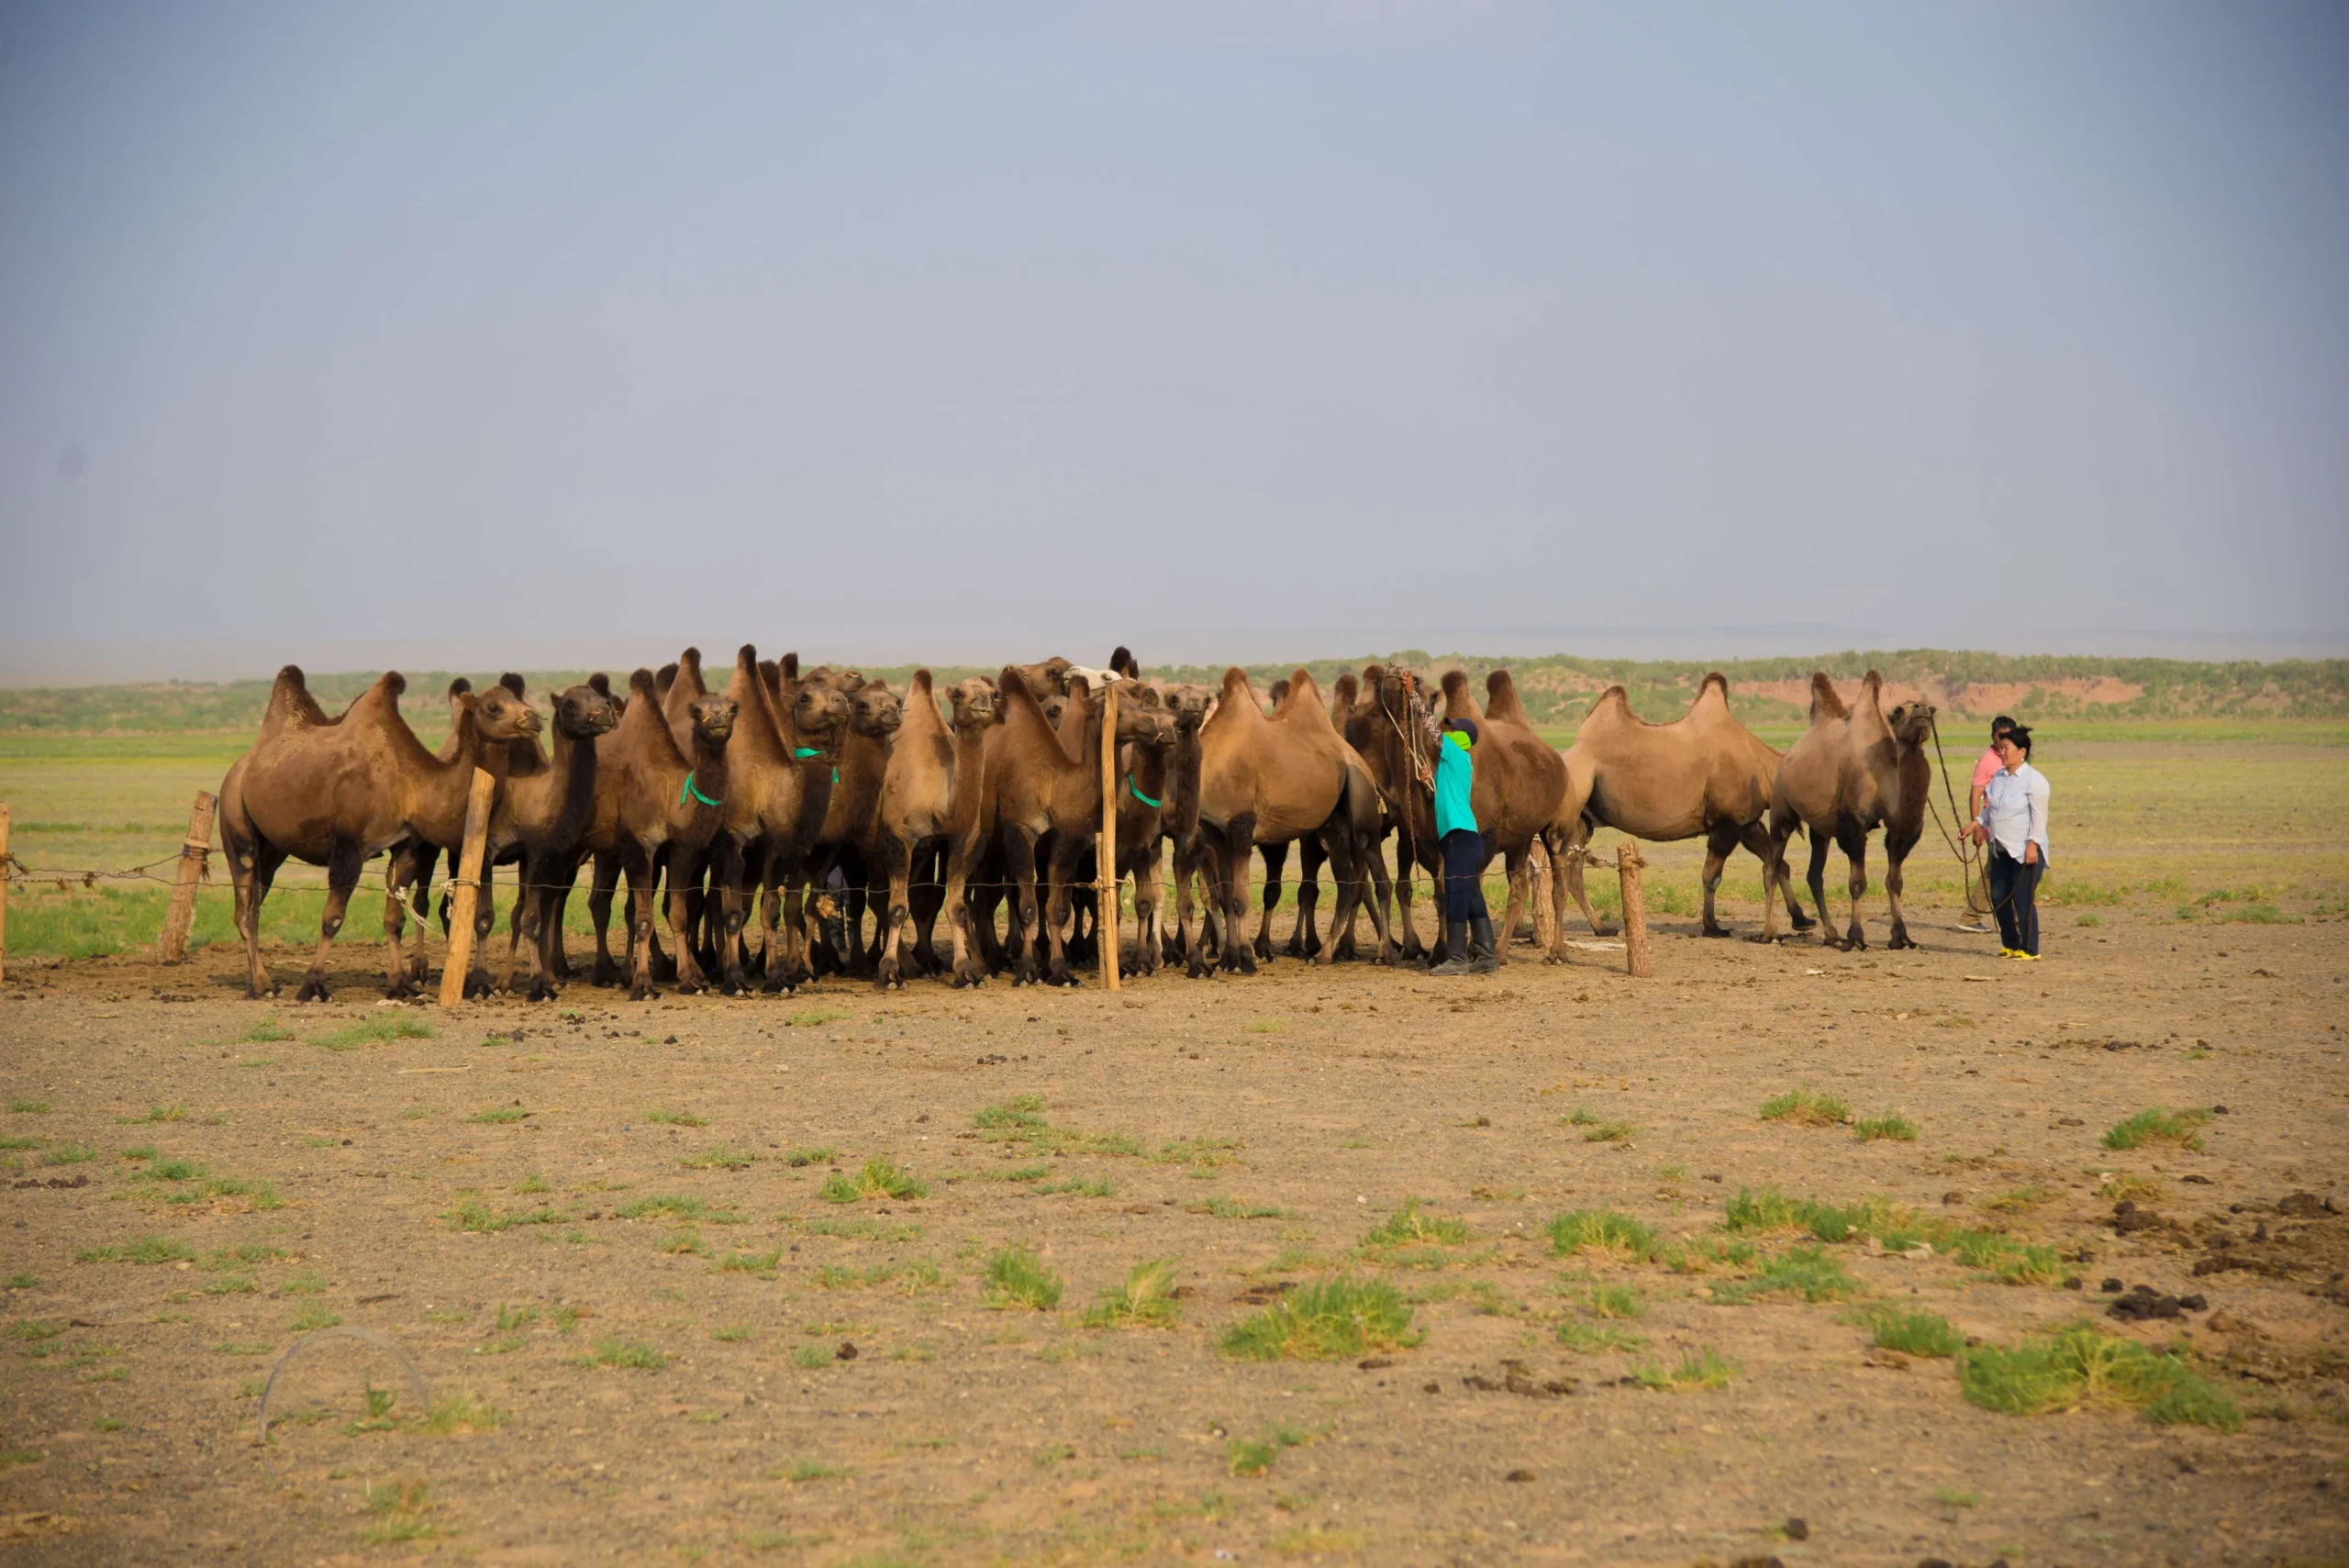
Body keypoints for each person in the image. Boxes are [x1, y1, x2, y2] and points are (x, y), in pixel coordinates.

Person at [1407, 678, 1497, 974]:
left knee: (1456, 894)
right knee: (1470, 895)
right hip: (1461, 838)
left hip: (1460, 838)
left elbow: (1430, 727)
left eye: (1452, 730)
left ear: (1462, 738)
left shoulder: (1457, 754)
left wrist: (1413, 697)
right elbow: (1442, 799)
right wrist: (1428, 785)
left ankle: (1457, 959)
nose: (1446, 731)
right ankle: (1487, 956)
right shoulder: (1451, 765)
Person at [1969, 723, 2049, 960]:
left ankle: (2030, 949)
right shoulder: (1998, 778)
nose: (2002, 752)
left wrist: (2033, 844)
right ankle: (2010, 945)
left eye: (2006, 748)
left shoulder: (2034, 781)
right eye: (2000, 748)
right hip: (2000, 849)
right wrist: (1975, 824)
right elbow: (1991, 811)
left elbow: (2039, 817)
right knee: (1999, 899)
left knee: (2023, 902)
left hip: (2025, 852)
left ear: (2021, 751)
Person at [1956, 715, 2016, 932]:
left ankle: (2006, 918)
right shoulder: (1987, 761)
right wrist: (1977, 828)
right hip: (1995, 826)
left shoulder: (2010, 757)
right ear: (1993, 736)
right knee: (1995, 873)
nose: (2004, 741)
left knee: (2004, 872)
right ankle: (1972, 917)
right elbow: (1975, 796)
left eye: (2008, 736)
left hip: (2012, 825)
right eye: (2001, 736)